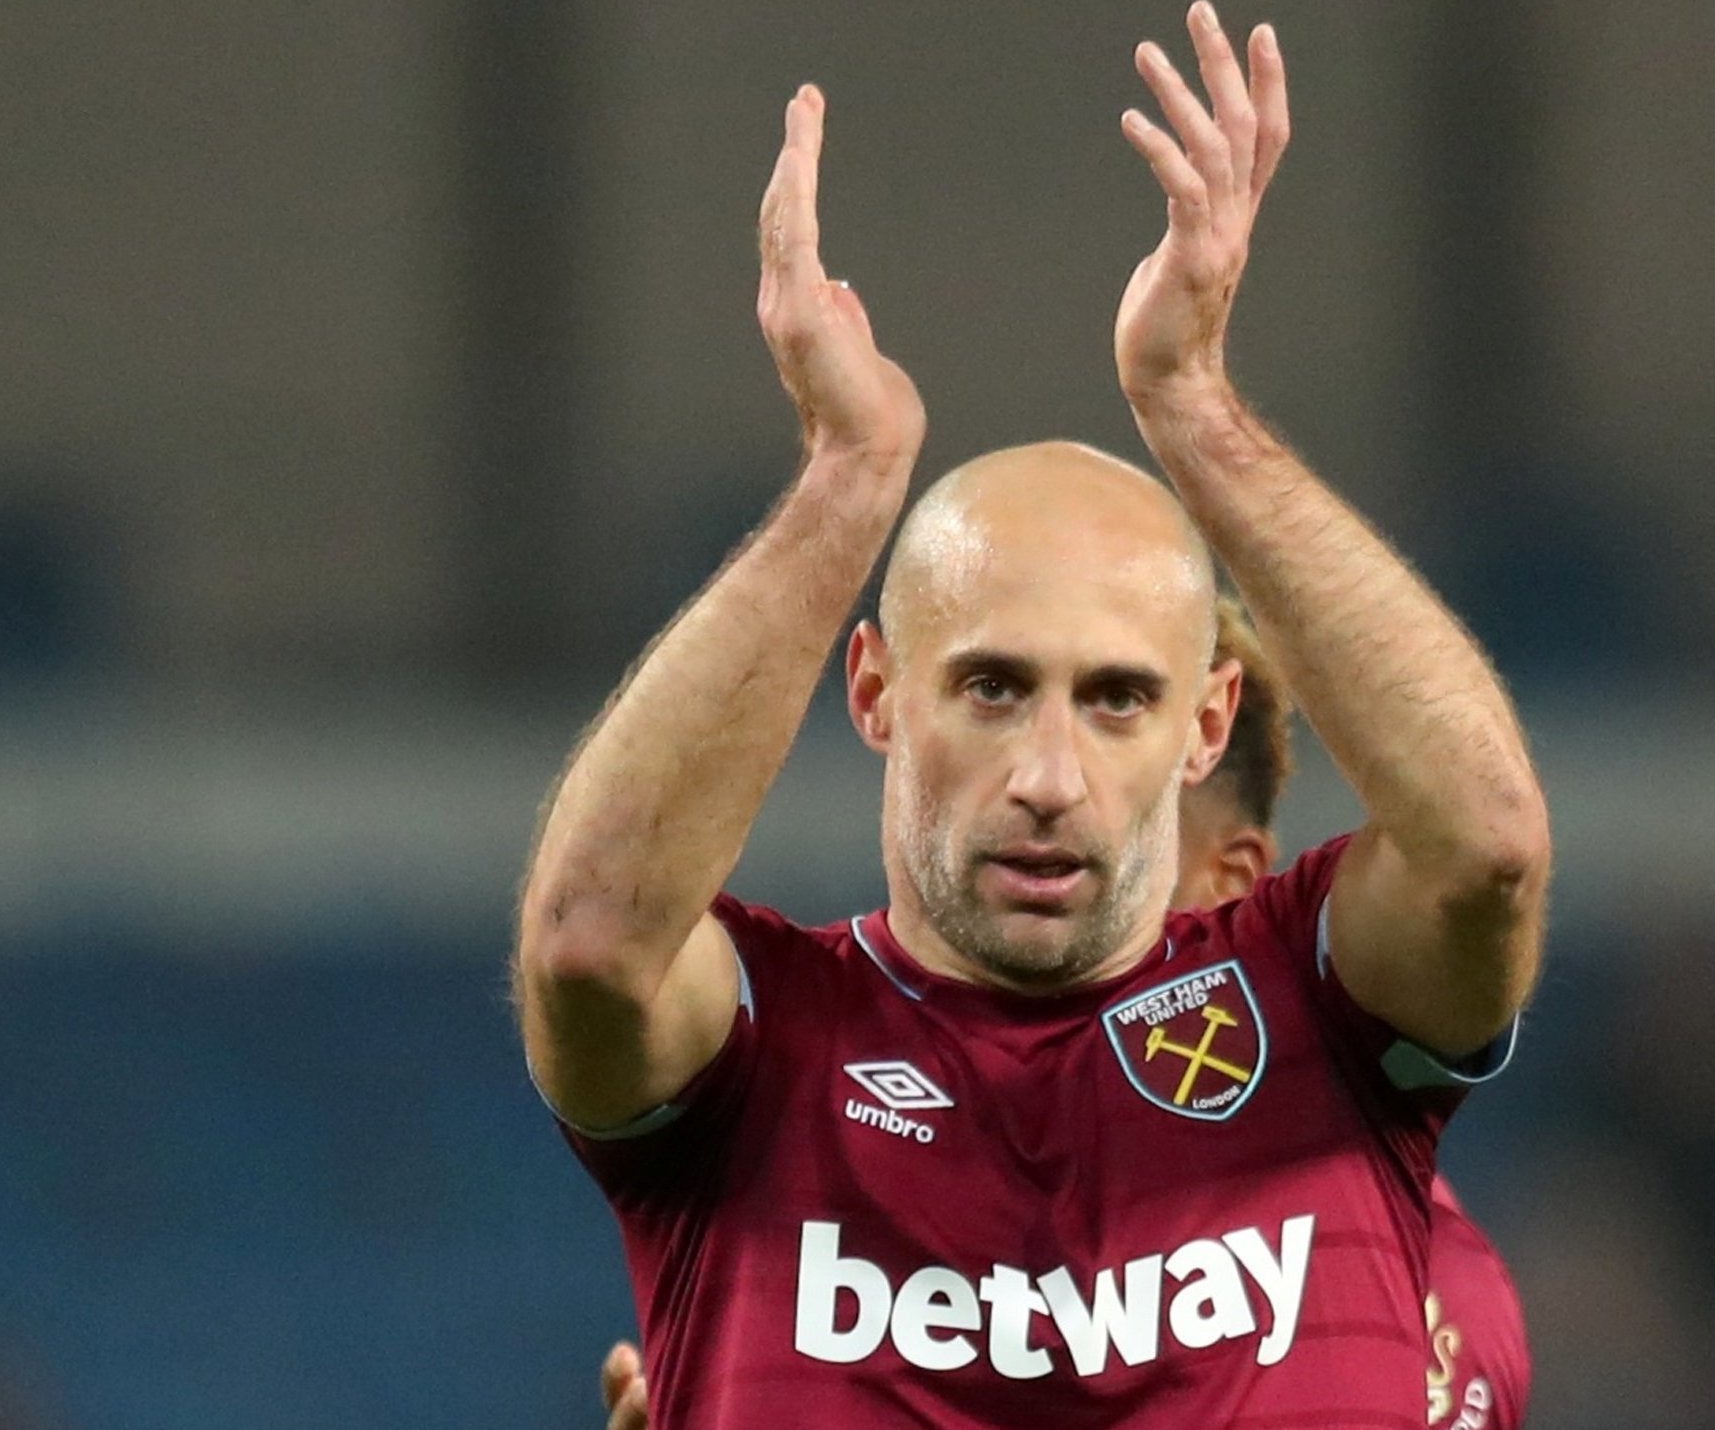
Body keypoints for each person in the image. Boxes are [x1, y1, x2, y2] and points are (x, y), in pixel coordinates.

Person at [517, 0, 1550, 1428]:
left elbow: (1485, 848)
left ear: (1205, 728)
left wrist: (1191, 405)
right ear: (875, 691)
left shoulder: (1319, 1025)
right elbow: (589, 946)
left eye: (1118, 698)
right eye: (992, 686)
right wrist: (845, 483)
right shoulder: (762, 1060)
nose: (1049, 774)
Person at [587, 601, 1533, 1430]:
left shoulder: (1414, 1291)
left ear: (1229, 882)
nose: (1052, 803)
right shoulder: (866, 1180)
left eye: (1138, 836)